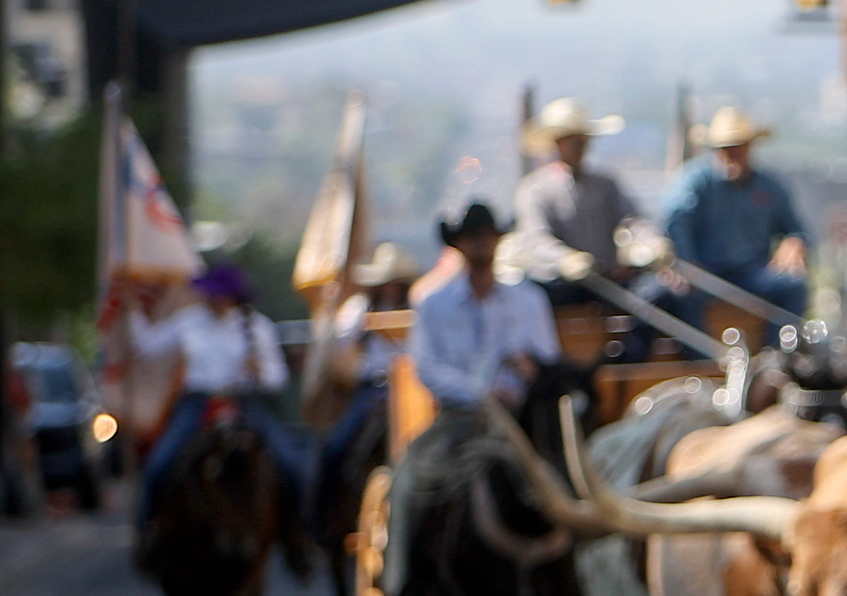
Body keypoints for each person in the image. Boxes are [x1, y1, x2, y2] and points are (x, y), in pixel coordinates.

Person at [126, 261, 296, 531]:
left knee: (289, 462)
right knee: (160, 462)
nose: (212, 300)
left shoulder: (256, 327)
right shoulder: (189, 321)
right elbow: (147, 346)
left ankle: (297, 536)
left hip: (244, 401)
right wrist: (132, 305)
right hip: (198, 402)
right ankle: (149, 527)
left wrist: (260, 371)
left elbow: (278, 378)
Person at [307, 242, 418, 538]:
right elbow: (343, 359)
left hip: (414, 388)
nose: (391, 286)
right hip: (372, 389)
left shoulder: (418, 305)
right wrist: (365, 369)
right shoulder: (358, 310)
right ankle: (321, 520)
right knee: (335, 446)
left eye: (396, 280)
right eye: (386, 280)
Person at [661, 107, 809, 322]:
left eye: (738, 147)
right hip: (707, 273)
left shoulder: (769, 186)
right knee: (679, 295)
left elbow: (796, 228)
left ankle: (776, 351)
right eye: (725, 148)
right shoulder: (696, 182)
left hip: (753, 272)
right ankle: (705, 355)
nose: (731, 155)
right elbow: (677, 221)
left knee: (792, 288)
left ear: (750, 147)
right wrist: (688, 261)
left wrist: (794, 242)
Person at [409, 203, 560, 414]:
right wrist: (480, 394)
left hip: (524, 413)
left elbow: (549, 360)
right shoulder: (434, 305)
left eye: (488, 235)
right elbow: (426, 368)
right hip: (459, 413)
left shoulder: (529, 300)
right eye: (473, 236)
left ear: (498, 240)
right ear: (458, 243)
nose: (482, 241)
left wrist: (529, 369)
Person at [506, 99, 639, 301]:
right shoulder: (535, 189)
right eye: (575, 142)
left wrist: (653, 242)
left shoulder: (605, 184)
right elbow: (536, 238)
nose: (581, 148)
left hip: (606, 279)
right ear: (558, 143)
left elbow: (632, 219)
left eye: (584, 141)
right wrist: (565, 259)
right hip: (559, 284)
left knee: (657, 293)